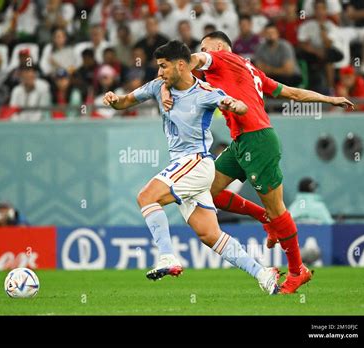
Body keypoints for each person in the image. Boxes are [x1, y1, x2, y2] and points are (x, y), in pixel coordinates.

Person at [161, 31, 354, 294]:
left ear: (219, 47)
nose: (203, 53)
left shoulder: (221, 58)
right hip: (241, 142)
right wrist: (328, 98)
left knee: (278, 211)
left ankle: (298, 271)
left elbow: (187, 61)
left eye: (205, 47)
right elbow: (292, 94)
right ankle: (263, 217)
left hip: (258, 140)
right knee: (206, 190)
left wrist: (164, 83)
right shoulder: (250, 69)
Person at [103, 40, 280, 295]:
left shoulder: (205, 93)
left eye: (164, 66)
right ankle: (263, 274)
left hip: (197, 162)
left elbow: (239, 106)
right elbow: (125, 102)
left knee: (146, 197)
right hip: (183, 166)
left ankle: (167, 256)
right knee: (211, 235)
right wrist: (113, 100)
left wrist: (236, 105)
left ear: (182, 65)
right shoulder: (157, 87)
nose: (160, 72)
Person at [254, 22, 302, 87]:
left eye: (273, 33)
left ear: (277, 34)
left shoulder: (285, 46)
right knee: (258, 80)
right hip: (272, 77)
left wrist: (268, 69)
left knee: (282, 81)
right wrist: (279, 70)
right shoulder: (260, 48)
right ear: (264, 34)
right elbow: (259, 69)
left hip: (290, 77)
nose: (270, 35)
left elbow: (288, 71)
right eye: (268, 33)